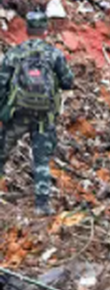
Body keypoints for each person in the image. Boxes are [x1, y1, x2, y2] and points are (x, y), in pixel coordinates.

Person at [0, 12, 75, 216]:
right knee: (41, 159)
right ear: (45, 30)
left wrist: (3, 111)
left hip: (18, 113)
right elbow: (69, 81)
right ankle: (42, 205)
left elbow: (1, 83)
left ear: (27, 29)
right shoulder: (54, 54)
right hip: (44, 116)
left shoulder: (15, 53)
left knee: (2, 152)